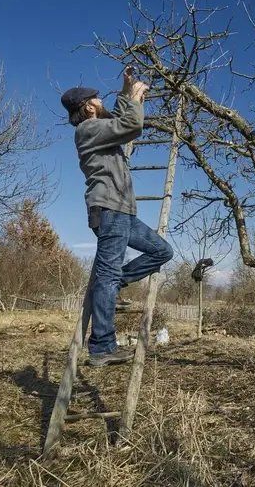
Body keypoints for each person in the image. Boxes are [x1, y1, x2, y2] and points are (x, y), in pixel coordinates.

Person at [61, 68, 174, 367]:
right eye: (95, 98)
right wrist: (135, 98)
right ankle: (101, 347)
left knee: (162, 251)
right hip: (109, 210)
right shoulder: (87, 130)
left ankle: (113, 284)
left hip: (122, 212)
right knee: (107, 276)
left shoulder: (100, 128)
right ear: (87, 107)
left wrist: (126, 91)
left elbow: (119, 121)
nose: (100, 99)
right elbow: (131, 126)